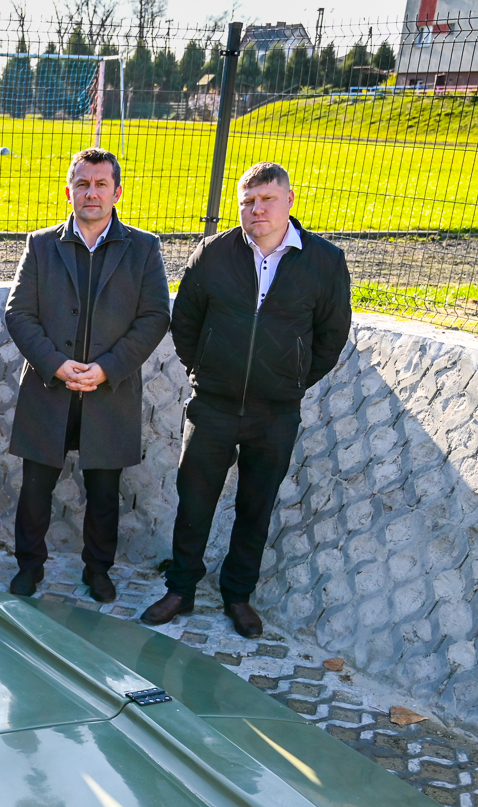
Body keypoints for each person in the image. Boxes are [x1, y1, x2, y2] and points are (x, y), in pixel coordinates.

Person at [141, 162, 352, 637]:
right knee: (194, 502)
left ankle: (238, 596)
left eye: (267, 199)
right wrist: (204, 371)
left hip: (275, 412)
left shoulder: (324, 261)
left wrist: (291, 380)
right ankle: (180, 589)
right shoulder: (214, 253)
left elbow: (331, 336)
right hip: (213, 405)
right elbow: (186, 320)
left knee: (255, 508)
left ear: (289, 201)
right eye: (248, 201)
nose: (257, 209)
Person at [3, 147, 170, 602]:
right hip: (49, 389)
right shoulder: (41, 245)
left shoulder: (143, 248)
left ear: (117, 192)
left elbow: (155, 316)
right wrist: (55, 364)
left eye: (100, 184)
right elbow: (18, 313)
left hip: (109, 392)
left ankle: (98, 570)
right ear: (69, 191)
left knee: (104, 492)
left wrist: (107, 368)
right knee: (35, 489)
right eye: (82, 184)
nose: (91, 192)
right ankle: (29, 566)